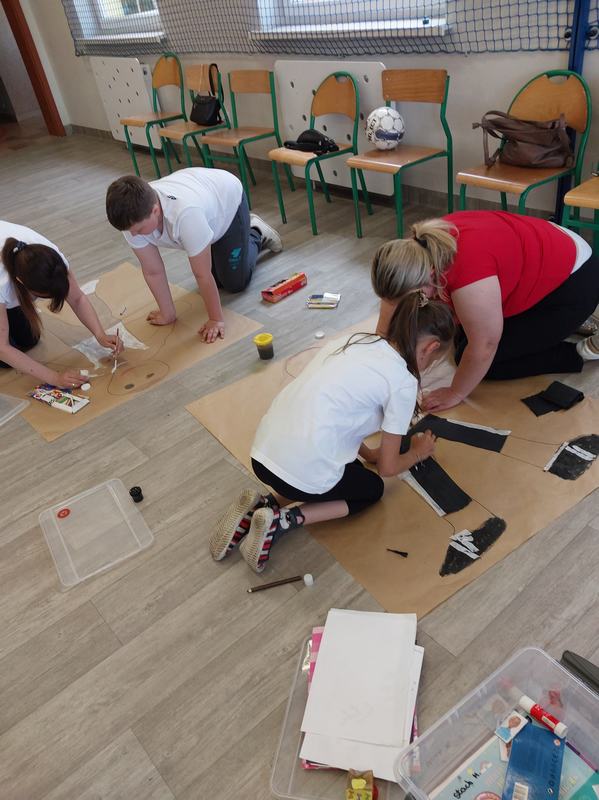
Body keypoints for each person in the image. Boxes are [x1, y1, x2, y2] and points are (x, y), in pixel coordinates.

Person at [208, 291, 455, 572]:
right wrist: (417, 453)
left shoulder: (356, 341)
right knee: (371, 489)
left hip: (263, 455)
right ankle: (282, 521)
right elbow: (388, 468)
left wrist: (369, 454)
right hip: (300, 471)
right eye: (434, 361)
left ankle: (260, 506)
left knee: (327, 469)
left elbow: (343, 416)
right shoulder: (403, 382)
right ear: (430, 348)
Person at [371, 210, 599, 412]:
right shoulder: (417, 249)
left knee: (485, 363)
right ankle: (556, 327)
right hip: (554, 250)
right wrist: (380, 347)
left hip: (574, 286)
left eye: (414, 297)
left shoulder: (468, 275)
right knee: (461, 337)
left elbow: (486, 345)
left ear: (430, 274)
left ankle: (578, 352)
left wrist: (456, 393)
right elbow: (392, 299)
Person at [105, 168, 282, 344]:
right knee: (216, 280)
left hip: (227, 202)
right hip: (202, 206)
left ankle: (255, 232)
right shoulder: (131, 220)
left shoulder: (185, 215)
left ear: (155, 211)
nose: (133, 235)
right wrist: (167, 313)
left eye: (139, 230)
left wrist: (216, 319)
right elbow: (153, 271)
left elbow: (202, 275)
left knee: (234, 282)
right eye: (130, 231)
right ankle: (212, 241)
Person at [0, 221, 120, 388]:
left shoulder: (52, 259)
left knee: (29, 340)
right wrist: (54, 378)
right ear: (20, 281)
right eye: (40, 296)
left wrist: (100, 334)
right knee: (5, 361)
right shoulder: (2, 284)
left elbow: (77, 298)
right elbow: (3, 348)